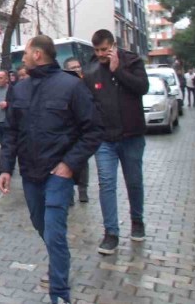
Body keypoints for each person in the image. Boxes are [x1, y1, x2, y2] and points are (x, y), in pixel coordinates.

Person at [0, 35, 101, 304]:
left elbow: (93, 130)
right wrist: (5, 168)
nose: (23, 58)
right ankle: (60, 261)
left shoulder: (71, 86)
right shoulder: (18, 89)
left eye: (27, 52)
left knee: (55, 232)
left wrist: (69, 164)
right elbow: (10, 132)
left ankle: (59, 294)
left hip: (59, 174)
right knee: (40, 224)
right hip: (30, 174)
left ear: (38, 55)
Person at [83, 29, 149, 255]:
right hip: (105, 140)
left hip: (132, 136)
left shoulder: (132, 61)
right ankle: (111, 233)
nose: (101, 54)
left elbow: (142, 88)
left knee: (134, 182)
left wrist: (117, 70)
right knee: (107, 184)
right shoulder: (90, 69)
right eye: (97, 50)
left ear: (113, 46)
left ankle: (137, 221)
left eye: (104, 49)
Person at [63, 57, 89, 204]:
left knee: (83, 162)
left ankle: (83, 190)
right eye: (73, 67)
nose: (76, 69)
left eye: (78, 66)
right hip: (68, 130)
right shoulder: (63, 85)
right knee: (67, 161)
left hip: (82, 129)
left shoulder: (86, 83)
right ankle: (70, 193)